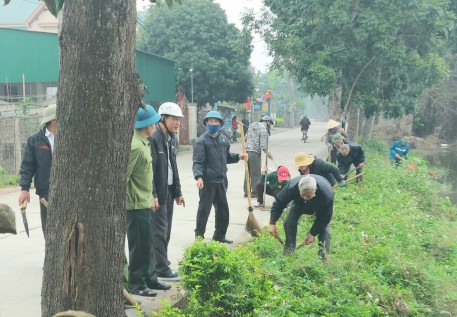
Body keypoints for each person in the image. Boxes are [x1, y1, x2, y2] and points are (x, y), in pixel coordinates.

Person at [126, 104, 170, 297]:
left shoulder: (144, 142)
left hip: (146, 202)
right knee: (139, 246)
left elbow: (147, 175)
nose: (156, 125)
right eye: (154, 122)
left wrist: (152, 196)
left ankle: (150, 278)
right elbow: (123, 177)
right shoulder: (135, 146)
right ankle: (137, 283)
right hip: (135, 205)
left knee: (148, 244)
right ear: (147, 125)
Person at [192, 111, 248, 243]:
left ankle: (219, 235)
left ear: (220, 124)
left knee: (223, 210)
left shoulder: (223, 139)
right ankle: (199, 236)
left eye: (216, 122)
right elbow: (198, 162)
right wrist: (199, 177)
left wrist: (238, 157)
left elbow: (226, 157)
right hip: (207, 181)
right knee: (204, 210)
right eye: (210, 121)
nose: (213, 124)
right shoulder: (201, 141)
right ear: (206, 123)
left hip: (221, 180)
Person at [148, 102, 185, 280]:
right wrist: (153, 195)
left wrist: (178, 192)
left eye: (179, 120)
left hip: (169, 191)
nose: (177, 123)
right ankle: (161, 268)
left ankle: (159, 265)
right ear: (163, 118)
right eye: (174, 119)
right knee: (159, 231)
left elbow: (173, 167)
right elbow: (151, 171)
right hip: (158, 195)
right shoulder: (154, 138)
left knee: (166, 229)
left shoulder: (170, 139)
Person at [268, 175, 333, 260]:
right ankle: (289, 251)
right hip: (299, 204)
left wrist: (312, 233)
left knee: (324, 230)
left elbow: (324, 218)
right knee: (289, 221)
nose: (306, 198)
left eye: (308, 196)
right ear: (299, 190)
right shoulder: (291, 188)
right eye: (303, 195)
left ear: (315, 190)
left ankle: (324, 257)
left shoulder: (326, 196)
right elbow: (279, 203)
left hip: (319, 206)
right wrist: (272, 223)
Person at [18, 104, 57, 238]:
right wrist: (24, 189)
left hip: (67, 190)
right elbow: (27, 166)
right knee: (49, 229)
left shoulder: (68, 138)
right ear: (53, 120)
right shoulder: (35, 140)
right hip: (45, 192)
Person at [244, 115, 274, 198]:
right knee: (256, 174)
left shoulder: (252, 125)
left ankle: (246, 192)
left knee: (248, 172)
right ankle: (255, 192)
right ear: (268, 122)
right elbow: (263, 146)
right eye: (270, 124)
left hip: (247, 151)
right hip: (255, 153)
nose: (270, 126)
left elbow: (245, 137)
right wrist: (268, 154)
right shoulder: (263, 129)